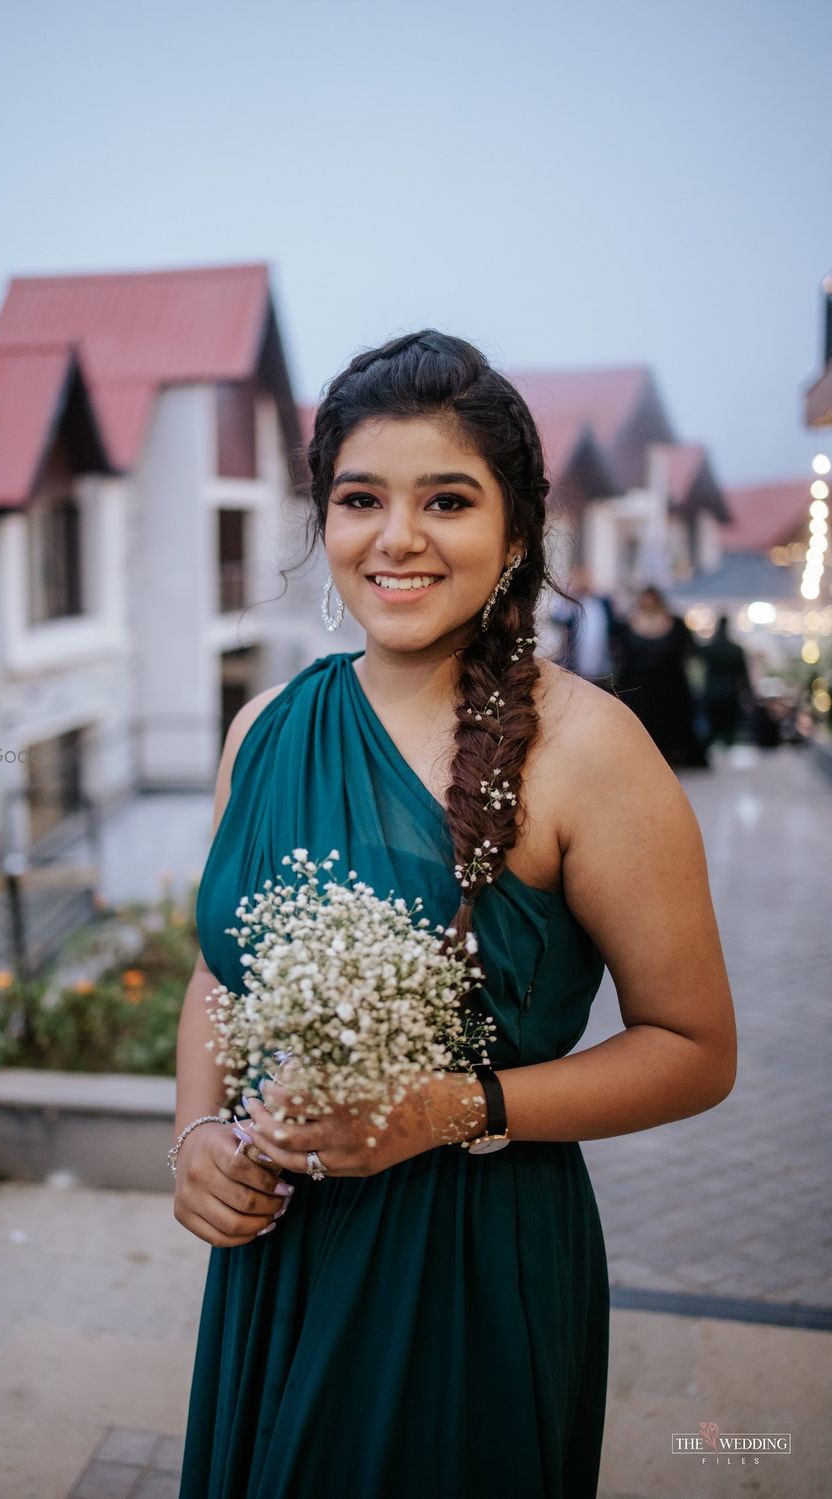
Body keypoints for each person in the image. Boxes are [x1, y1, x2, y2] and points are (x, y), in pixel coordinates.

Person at [172, 331, 737, 1499]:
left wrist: (448, 1108)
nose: (397, 537)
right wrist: (193, 1136)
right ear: (322, 521)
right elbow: (225, 969)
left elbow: (693, 1050)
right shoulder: (263, 727)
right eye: (359, 497)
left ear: (517, 531)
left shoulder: (592, 751)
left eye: (447, 499)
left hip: (468, 1258)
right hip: (279, 1253)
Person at [615, 585, 709, 768]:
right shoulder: (627, 625)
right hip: (638, 689)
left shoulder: (676, 625)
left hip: (670, 688)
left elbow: (688, 652)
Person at [549, 565, 620, 690]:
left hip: (602, 671)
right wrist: (568, 593)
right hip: (576, 670)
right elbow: (557, 619)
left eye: (585, 578)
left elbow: (615, 628)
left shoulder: (603, 602)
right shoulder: (572, 604)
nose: (582, 582)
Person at [697, 614, 753, 749]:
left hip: (712, 693)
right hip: (731, 693)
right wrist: (749, 694)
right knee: (729, 730)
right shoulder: (736, 650)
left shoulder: (710, 649)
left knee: (712, 729)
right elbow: (743, 675)